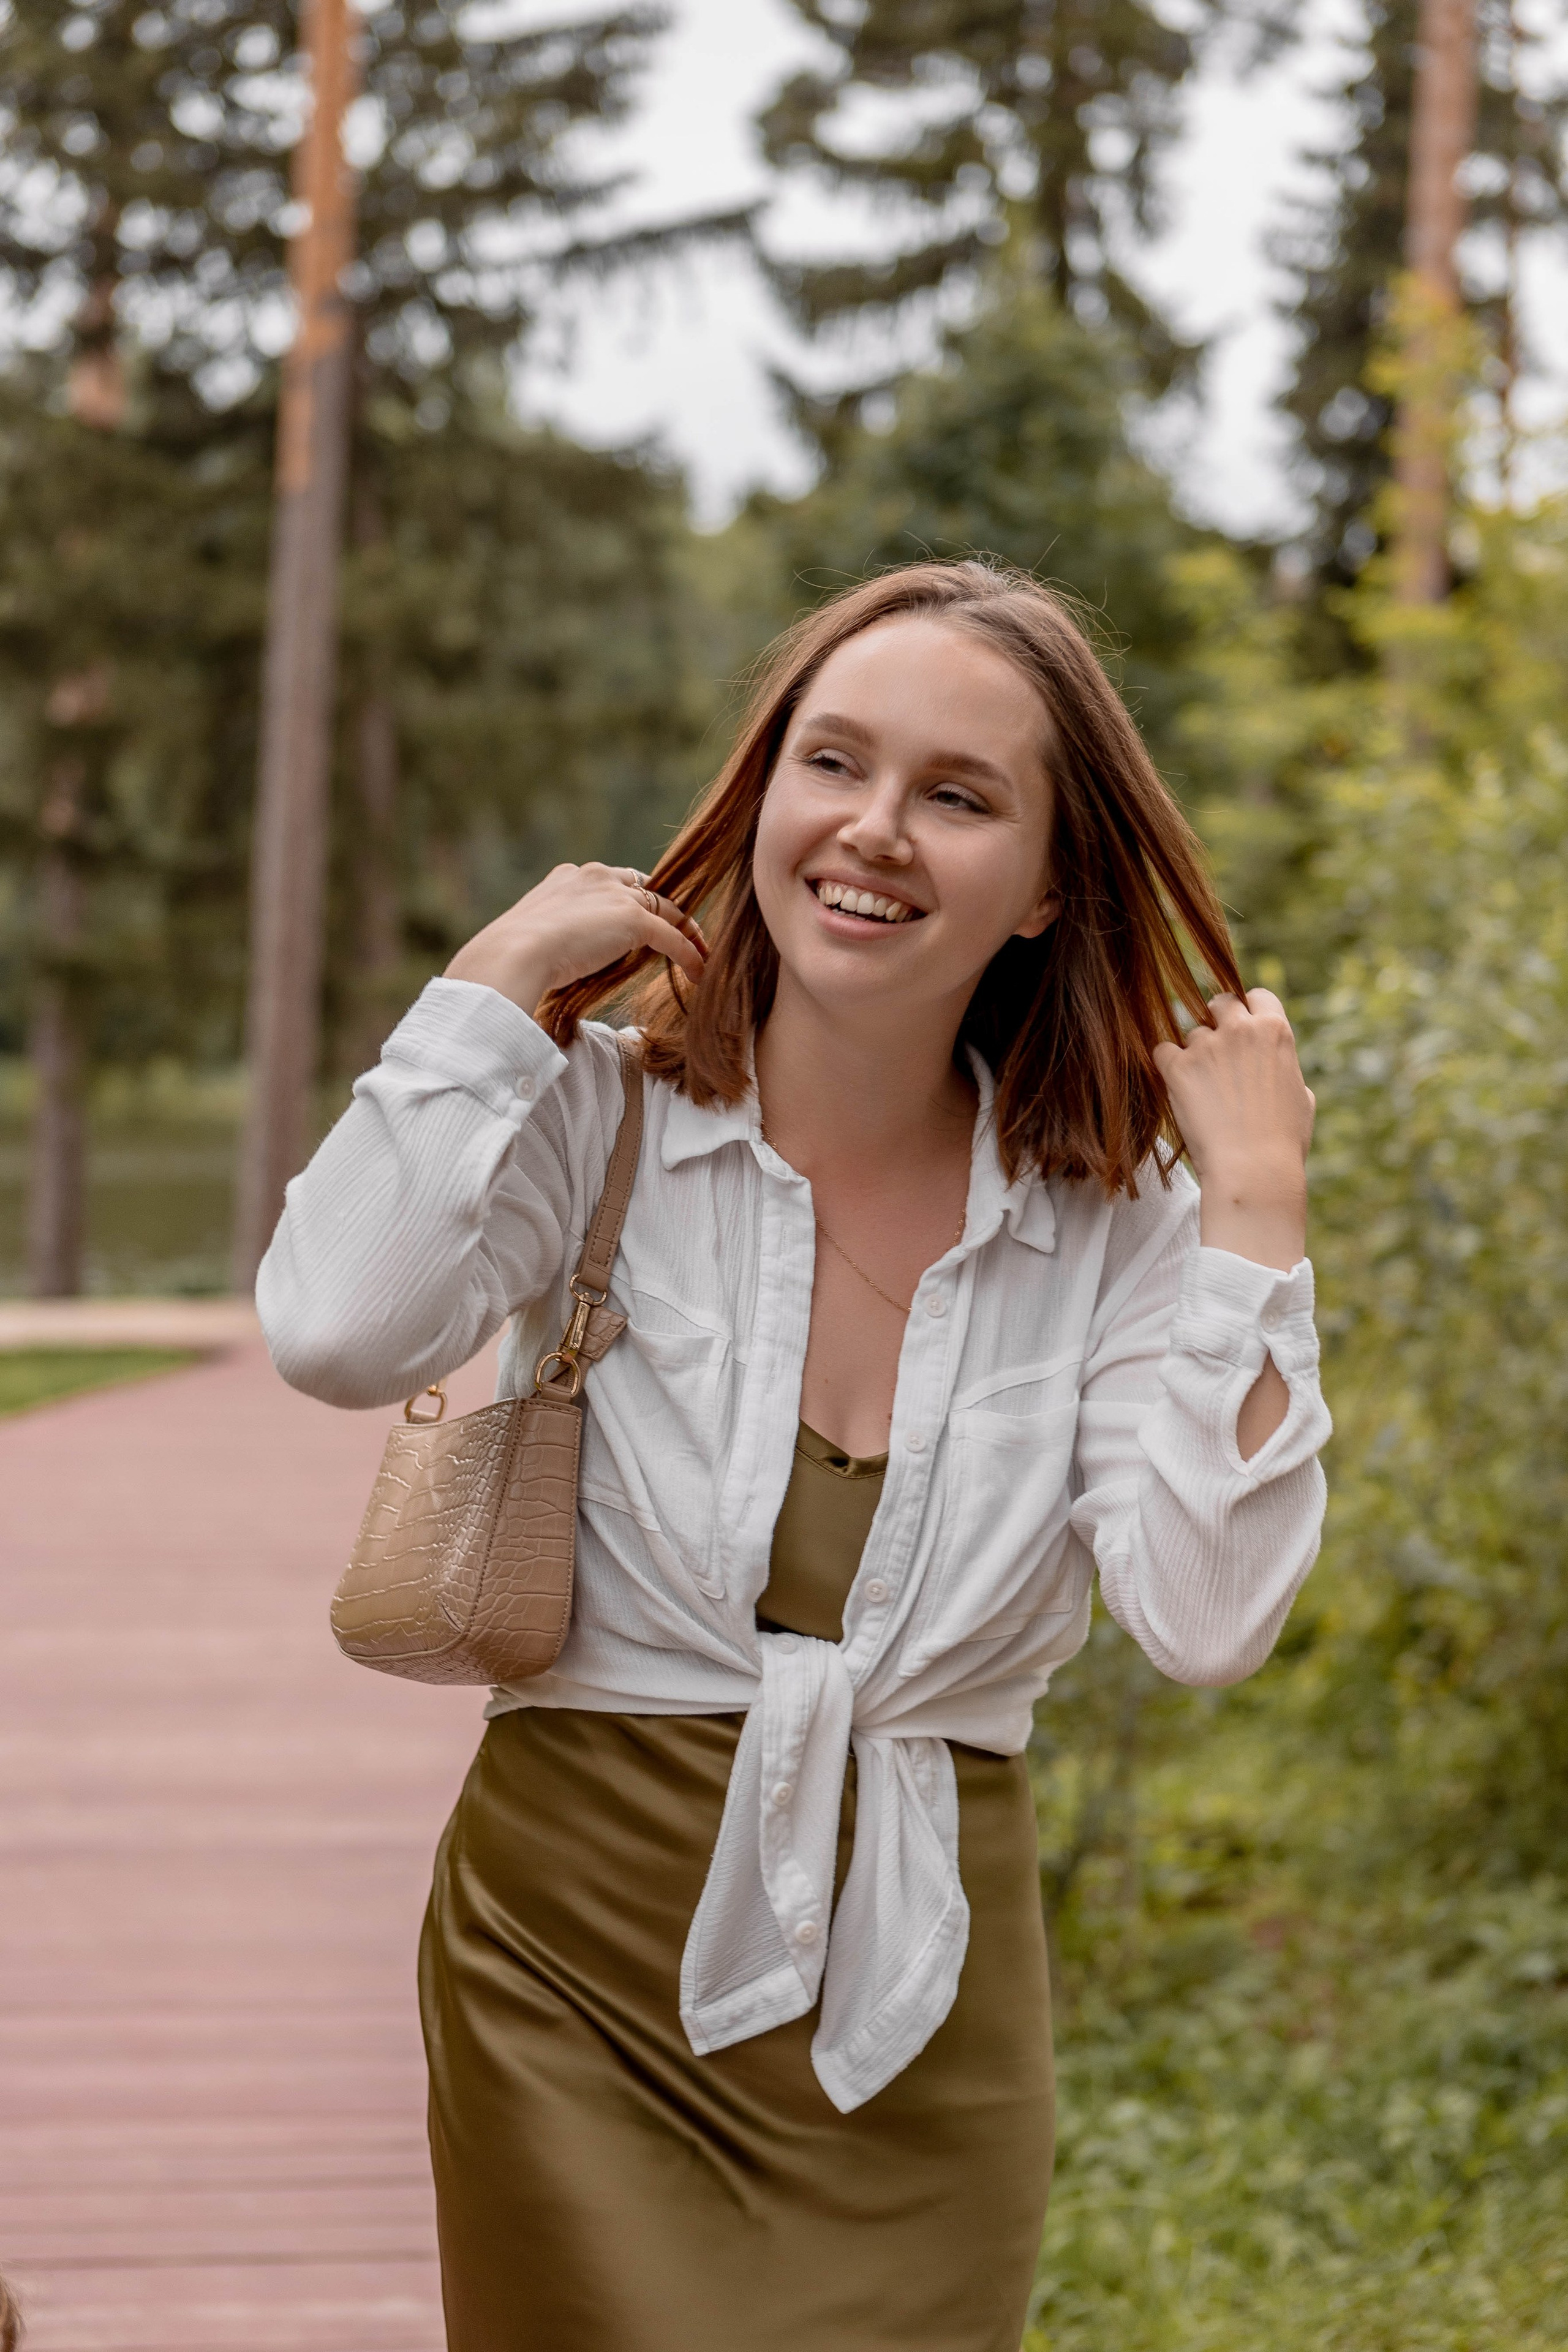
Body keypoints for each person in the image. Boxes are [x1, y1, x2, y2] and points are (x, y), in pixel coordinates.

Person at [258, 559, 1329, 2352]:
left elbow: (1208, 1618)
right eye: (833, 765)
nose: (876, 831)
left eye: (960, 795)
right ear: (764, 797)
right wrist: (486, 994)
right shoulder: (595, 1111)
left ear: (1053, 881)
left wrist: (1260, 1211)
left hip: (925, 2008)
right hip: (570, 1972)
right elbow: (332, 1331)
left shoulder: (1122, 1217)